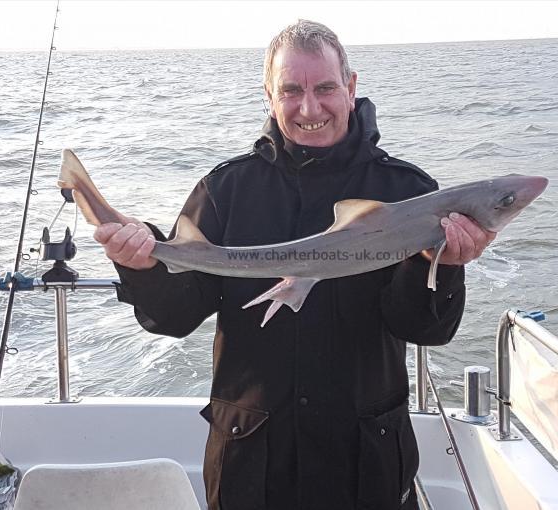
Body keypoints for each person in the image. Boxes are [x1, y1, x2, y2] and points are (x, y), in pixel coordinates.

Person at [94, 20, 495, 510]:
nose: (310, 108)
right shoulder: (226, 192)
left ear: (350, 88)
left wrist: (442, 263)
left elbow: (425, 328)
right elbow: (174, 316)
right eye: (291, 90)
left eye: (325, 87)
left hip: (366, 468)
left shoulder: (406, 193)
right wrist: (140, 265)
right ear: (269, 95)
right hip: (253, 469)